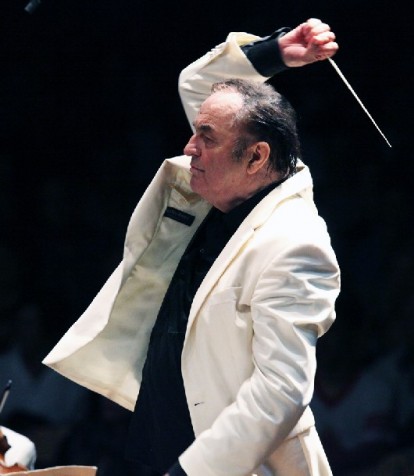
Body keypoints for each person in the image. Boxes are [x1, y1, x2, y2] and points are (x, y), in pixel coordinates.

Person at [43, 18, 340, 475]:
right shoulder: (227, 183)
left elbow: (281, 391)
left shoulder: (295, 243)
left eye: (207, 137)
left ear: (256, 156)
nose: (189, 147)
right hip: (155, 445)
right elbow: (200, 84)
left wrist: (193, 471)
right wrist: (278, 52)